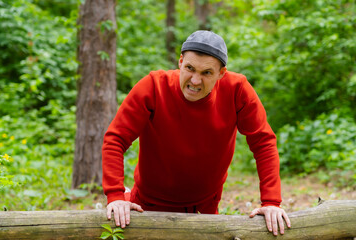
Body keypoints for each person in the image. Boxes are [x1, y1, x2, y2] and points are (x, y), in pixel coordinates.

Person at [102, 30, 291, 236]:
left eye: (206, 73)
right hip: (147, 205)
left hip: (205, 209)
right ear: (180, 62)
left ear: (221, 73)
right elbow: (116, 138)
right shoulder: (154, 86)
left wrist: (272, 201)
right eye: (190, 68)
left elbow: (263, 142)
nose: (195, 80)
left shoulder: (237, 90)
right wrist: (116, 196)